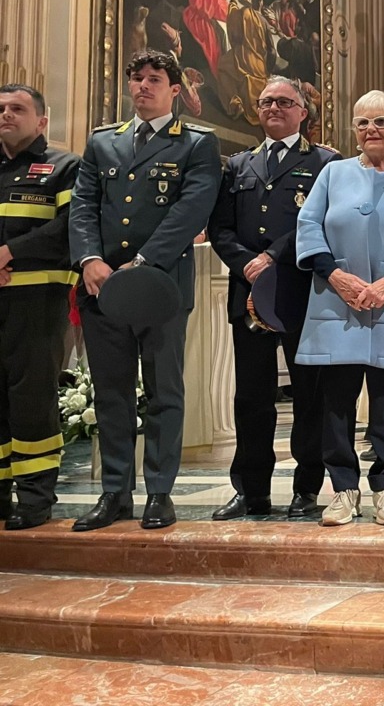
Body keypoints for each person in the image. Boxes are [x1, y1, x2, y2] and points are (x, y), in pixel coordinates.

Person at [69, 49, 221, 531]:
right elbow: (83, 205)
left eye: (154, 79)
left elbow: (191, 210)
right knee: (110, 393)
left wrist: (140, 264)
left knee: (163, 391)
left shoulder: (196, 143)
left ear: (175, 90)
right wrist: (90, 259)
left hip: (159, 286)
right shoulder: (103, 143)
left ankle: (159, 491)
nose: (142, 87)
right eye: (136, 79)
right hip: (100, 287)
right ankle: (115, 491)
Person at [295, 90, 384, 527]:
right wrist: (335, 276)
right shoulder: (333, 173)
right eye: (362, 122)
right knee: (336, 399)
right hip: (337, 300)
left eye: (380, 122)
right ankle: (342, 489)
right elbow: (308, 225)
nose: (370, 130)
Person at [208, 77, 339, 520]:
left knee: (309, 394)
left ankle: (307, 488)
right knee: (251, 396)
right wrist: (246, 262)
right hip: (248, 294)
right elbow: (220, 226)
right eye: (267, 102)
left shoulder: (325, 162)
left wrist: (271, 255)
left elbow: (321, 222)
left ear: (304, 112)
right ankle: (251, 490)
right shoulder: (238, 165)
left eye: (285, 102)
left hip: (300, 292)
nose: (274, 108)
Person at [0, 85, 80, 529]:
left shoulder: (64, 167)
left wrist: (9, 254)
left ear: (42, 121)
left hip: (38, 302)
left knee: (31, 401)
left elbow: (70, 229)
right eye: (1, 109)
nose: (6, 115)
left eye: (17, 108)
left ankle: (34, 499)